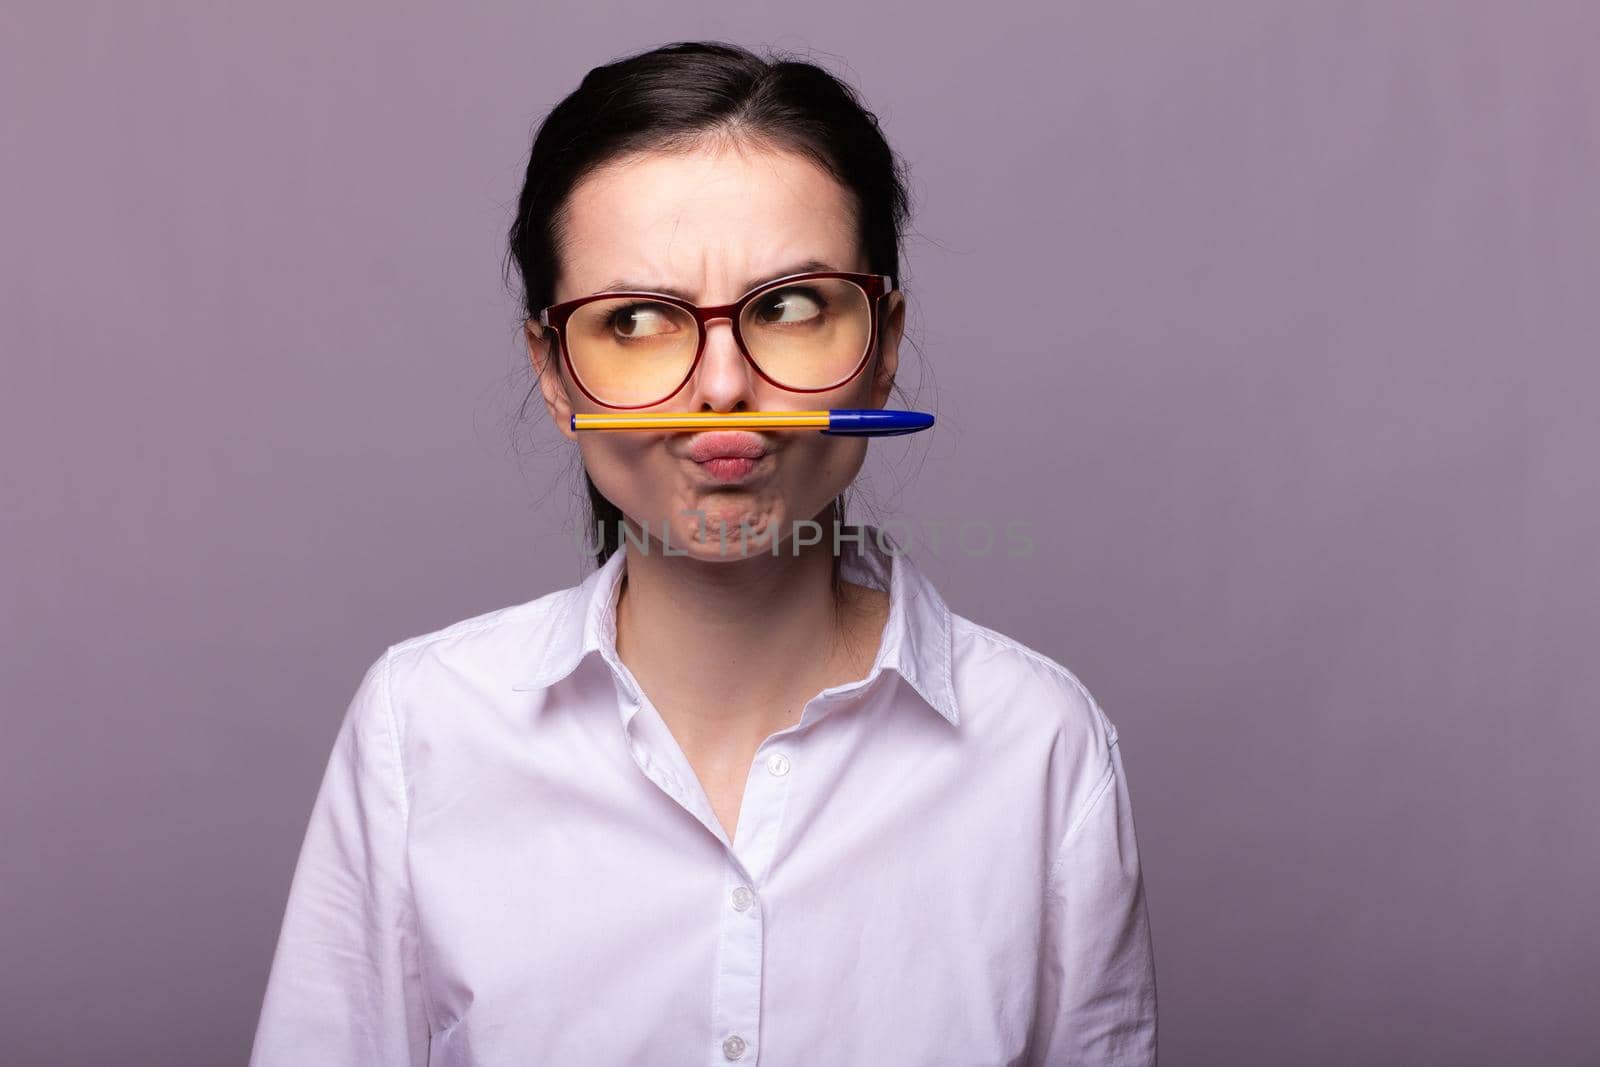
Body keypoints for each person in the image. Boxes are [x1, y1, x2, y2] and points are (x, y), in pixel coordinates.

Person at [250, 40, 1157, 1067]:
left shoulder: (1040, 747)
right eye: (635, 319)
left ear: (885, 339)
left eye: (791, 306)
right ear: (554, 372)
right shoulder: (422, 728)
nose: (722, 385)